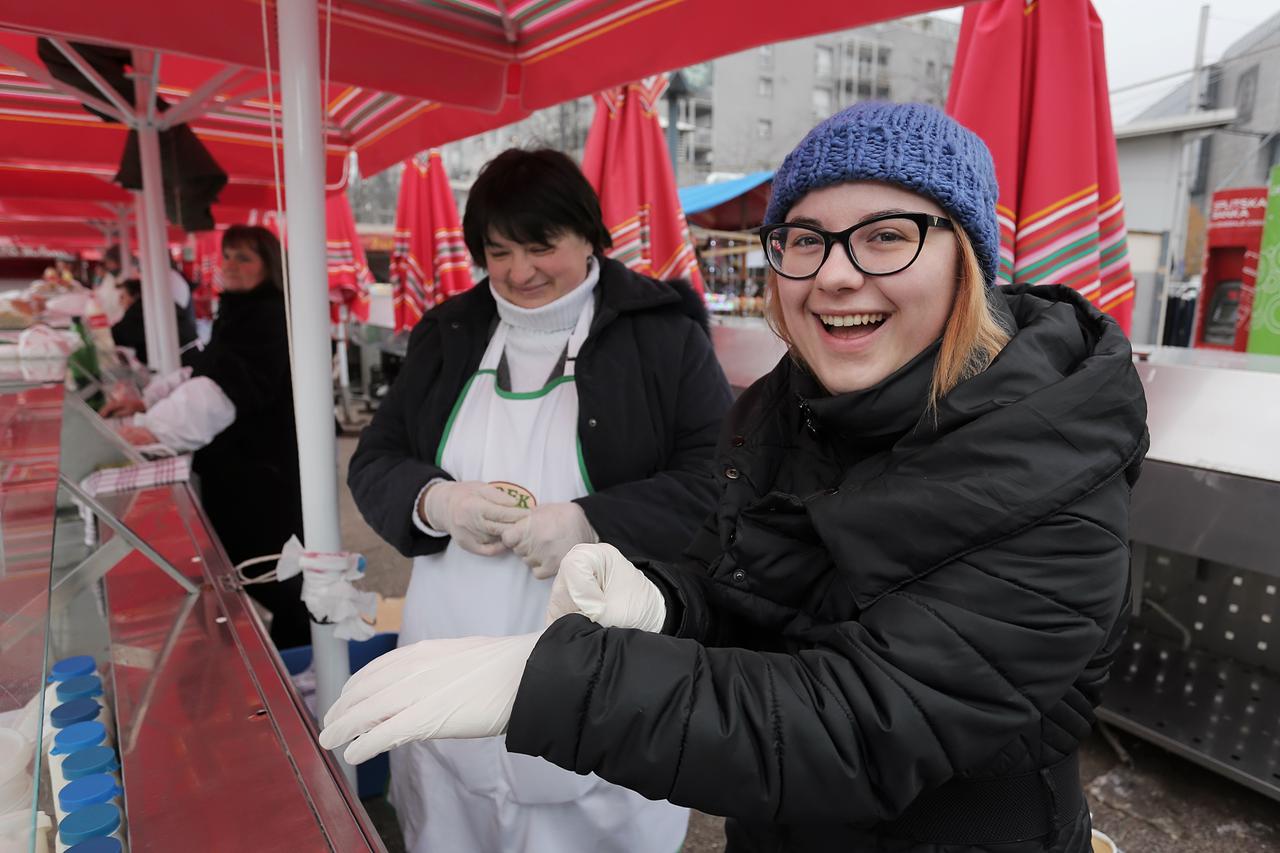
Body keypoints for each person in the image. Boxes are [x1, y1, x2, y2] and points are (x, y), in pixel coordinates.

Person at [321, 103, 1150, 853]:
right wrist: (665, 600)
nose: (834, 274)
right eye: (804, 239)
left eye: (886, 235)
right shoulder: (789, 410)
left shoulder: (1050, 458)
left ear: (967, 255)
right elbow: (754, 592)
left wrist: (559, 654)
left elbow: (859, 725)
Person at [344, 148, 733, 853]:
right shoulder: (448, 332)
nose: (520, 271)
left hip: (600, 657)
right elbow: (376, 460)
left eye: (541, 246)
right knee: (453, 814)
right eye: (499, 252)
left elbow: (718, 480)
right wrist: (435, 501)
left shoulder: (663, 336)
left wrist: (591, 522)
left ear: (589, 235)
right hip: (449, 644)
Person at [101, 225, 308, 648]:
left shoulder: (267, 316)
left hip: (260, 471)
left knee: (271, 572)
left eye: (244, 258)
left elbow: (221, 390)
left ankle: (300, 660)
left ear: (269, 267)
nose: (230, 265)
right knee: (251, 566)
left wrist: (154, 429)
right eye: (227, 255)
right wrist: (148, 401)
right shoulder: (239, 310)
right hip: (239, 466)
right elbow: (204, 367)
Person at [109, 277, 198, 364]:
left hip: (182, 360)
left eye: (123, 297)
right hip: (188, 354)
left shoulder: (139, 308)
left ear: (135, 296)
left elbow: (117, 335)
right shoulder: (156, 302)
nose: (120, 301)